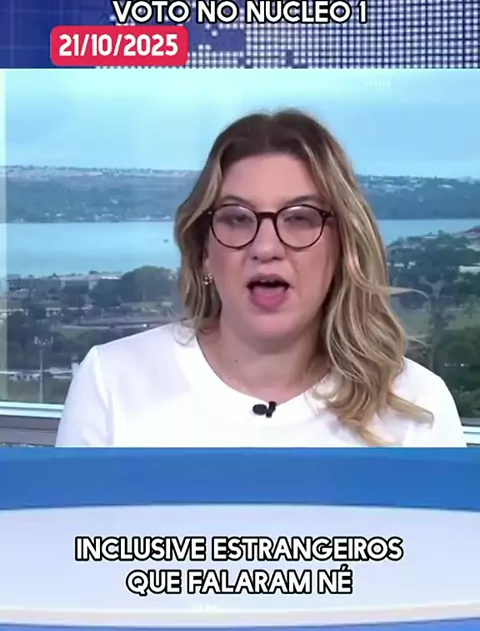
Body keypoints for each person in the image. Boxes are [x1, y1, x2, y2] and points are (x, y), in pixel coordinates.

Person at [56, 109, 466, 448]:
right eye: (237, 218)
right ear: (203, 253)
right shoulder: (110, 383)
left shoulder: (417, 406)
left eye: (300, 218)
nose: (266, 246)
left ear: (343, 249)